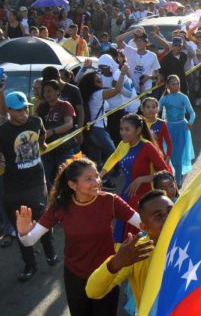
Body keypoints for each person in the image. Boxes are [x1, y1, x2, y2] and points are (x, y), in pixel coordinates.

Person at [15, 158, 140, 315]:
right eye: (89, 179)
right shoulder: (61, 206)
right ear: (72, 185)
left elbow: (144, 224)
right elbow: (30, 240)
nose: (96, 182)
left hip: (106, 274)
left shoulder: (111, 201)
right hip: (75, 277)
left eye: (96, 176)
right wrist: (23, 233)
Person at [0, 91, 57, 281]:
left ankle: (50, 251)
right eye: (18, 110)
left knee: (42, 221)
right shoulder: (2, 132)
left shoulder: (36, 122)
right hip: (13, 189)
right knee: (21, 228)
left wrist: (44, 145)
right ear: (8, 110)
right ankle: (29, 264)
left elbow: (42, 142)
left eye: (25, 108)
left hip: (36, 184)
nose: (23, 113)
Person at [85, 190, 169, 310]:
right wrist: (115, 263)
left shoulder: (195, 239)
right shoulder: (136, 252)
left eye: (171, 211)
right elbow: (92, 291)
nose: (169, 218)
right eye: (159, 216)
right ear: (144, 227)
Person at [101, 114, 168, 242]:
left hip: (145, 199)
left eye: (127, 129)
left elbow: (165, 172)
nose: (123, 133)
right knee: (123, 236)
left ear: (138, 131)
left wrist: (141, 179)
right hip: (128, 195)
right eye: (121, 129)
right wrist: (100, 175)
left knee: (142, 236)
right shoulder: (123, 145)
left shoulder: (147, 147)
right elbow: (114, 157)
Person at [77, 65, 130, 168]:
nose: (101, 83)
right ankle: (118, 175)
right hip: (98, 130)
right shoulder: (98, 94)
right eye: (98, 81)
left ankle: (102, 180)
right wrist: (122, 74)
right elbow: (117, 90)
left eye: (101, 80)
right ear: (91, 84)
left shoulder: (90, 95)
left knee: (96, 160)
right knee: (114, 154)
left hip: (91, 131)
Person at [35, 80, 77, 190]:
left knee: (65, 175)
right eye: (44, 91)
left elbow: (69, 124)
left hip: (64, 148)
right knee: (44, 176)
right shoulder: (42, 107)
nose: (46, 94)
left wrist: (52, 131)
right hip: (45, 148)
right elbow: (35, 124)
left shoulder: (65, 105)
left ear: (58, 92)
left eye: (49, 91)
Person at [159, 75, 195, 186]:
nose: (176, 86)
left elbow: (192, 112)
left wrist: (190, 122)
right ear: (168, 85)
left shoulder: (183, 97)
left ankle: (178, 181)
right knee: (168, 154)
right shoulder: (164, 99)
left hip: (182, 129)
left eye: (178, 83)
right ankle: (172, 177)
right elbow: (156, 112)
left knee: (177, 157)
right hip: (168, 129)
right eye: (173, 84)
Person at [116, 28, 161, 94]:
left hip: (146, 90)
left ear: (146, 42)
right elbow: (118, 40)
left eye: (140, 41)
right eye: (136, 41)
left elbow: (157, 74)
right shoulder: (130, 51)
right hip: (133, 90)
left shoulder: (152, 56)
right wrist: (133, 31)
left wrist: (149, 77)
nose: (138, 43)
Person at [141, 97, 172, 163]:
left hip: (159, 158)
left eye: (154, 107)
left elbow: (169, 143)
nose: (151, 110)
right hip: (144, 159)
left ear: (158, 109)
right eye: (148, 107)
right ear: (142, 108)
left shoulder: (162, 123)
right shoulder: (139, 124)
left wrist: (167, 158)